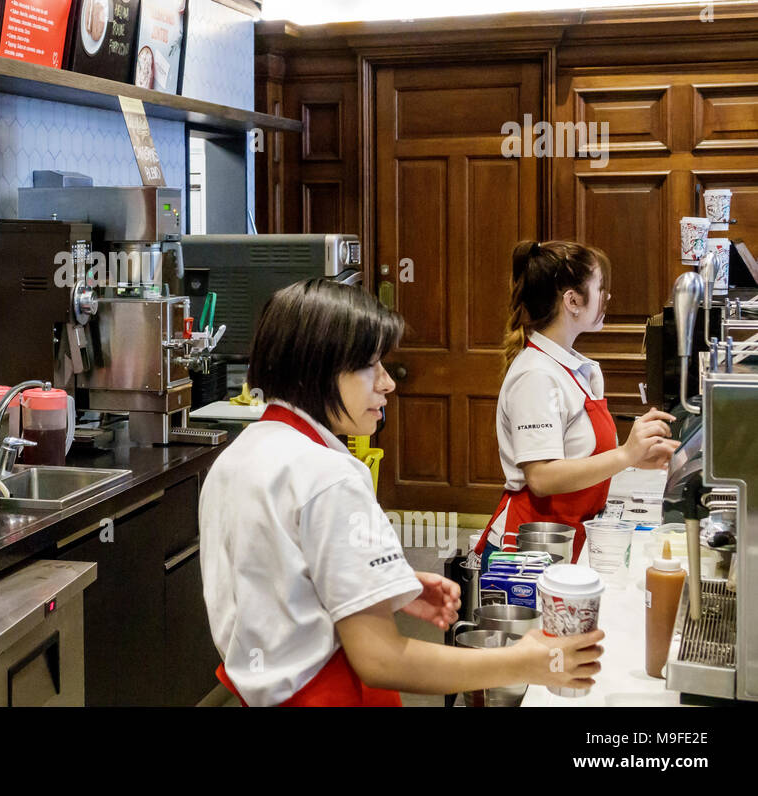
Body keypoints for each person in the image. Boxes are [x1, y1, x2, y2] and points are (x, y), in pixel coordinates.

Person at [199, 279, 603, 707]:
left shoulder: (237, 455)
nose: (387, 383)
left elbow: (274, 575)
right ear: (317, 368)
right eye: (370, 365)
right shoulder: (331, 475)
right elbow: (382, 660)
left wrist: (386, 584)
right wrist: (525, 661)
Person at [475, 240, 678, 563]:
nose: (607, 297)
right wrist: (625, 453)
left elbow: (577, 455)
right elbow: (542, 478)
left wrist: (633, 459)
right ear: (572, 300)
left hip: (564, 538)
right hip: (528, 550)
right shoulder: (536, 376)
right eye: (600, 288)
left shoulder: (573, 368)